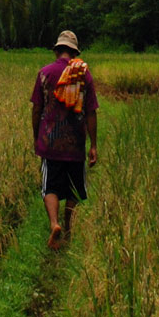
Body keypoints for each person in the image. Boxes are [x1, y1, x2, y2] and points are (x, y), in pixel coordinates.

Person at [30, 29, 99, 249]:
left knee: (50, 186)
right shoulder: (83, 75)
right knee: (74, 189)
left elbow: (36, 109)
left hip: (50, 142)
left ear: (58, 50)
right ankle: (68, 227)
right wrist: (93, 145)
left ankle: (54, 223)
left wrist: (36, 136)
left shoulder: (44, 73)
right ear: (74, 51)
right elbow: (91, 112)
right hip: (76, 143)